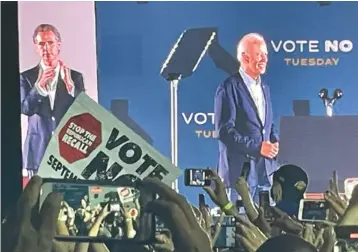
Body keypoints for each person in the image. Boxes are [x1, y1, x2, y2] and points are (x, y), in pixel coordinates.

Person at [214, 33, 279, 204]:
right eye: (259, 54)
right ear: (245, 56)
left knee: (267, 226)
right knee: (241, 227)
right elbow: (225, 132)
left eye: (266, 54)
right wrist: (258, 147)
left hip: (265, 173)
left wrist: (274, 141)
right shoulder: (228, 88)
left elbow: (267, 124)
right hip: (240, 177)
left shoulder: (265, 87)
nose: (264, 59)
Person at [20, 24, 85, 177]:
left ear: (58, 45)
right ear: (36, 47)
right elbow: (26, 109)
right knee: (37, 199)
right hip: (37, 151)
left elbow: (84, 111)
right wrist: (39, 87)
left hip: (68, 151)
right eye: (41, 44)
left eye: (50, 43)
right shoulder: (26, 77)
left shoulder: (75, 77)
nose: (46, 48)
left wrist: (70, 87)